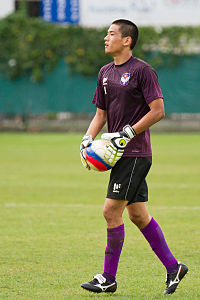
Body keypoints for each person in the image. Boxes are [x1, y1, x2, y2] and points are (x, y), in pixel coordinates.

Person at [80, 19, 188, 295]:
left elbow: (158, 110)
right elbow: (101, 114)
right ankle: (173, 267)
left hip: (135, 153)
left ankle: (108, 278)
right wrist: (87, 138)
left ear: (127, 40)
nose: (106, 38)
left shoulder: (143, 71)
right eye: (106, 33)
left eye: (111, 34)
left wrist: (127, 133)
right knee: (139, 215)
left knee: (110, 211)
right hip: (117, 154)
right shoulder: (104, 72)